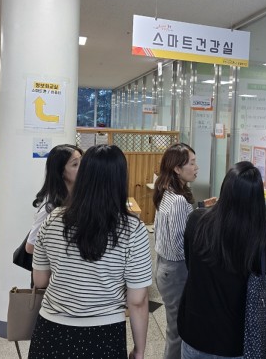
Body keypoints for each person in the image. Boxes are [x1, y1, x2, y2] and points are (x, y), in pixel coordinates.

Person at [29, 145, 152, 359]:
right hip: (104, 334)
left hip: (51, 331)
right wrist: (139, 350)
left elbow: (39, 280)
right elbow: (137, 300)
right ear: (120, 179)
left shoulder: (52, 219)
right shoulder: (133, 229)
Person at [178, 161, 266, 358]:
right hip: (233, 339)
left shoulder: (197, 220)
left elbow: (189, 263)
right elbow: (258, 283)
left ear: (225, 189)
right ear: (256, 198)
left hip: (194, 329)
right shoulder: (259, 239)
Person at [153, 142, 198, 359]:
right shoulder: (179, 200)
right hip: (176, 270)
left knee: (175, 326)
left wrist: (199, 210)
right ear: (177, 169)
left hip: (164, 267)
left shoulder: (167, 191)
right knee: (178, 330)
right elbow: (181, 247)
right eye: (192, 163)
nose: (196, 167)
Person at [25, 144, 83, 255]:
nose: (83, 168)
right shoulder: (50, 207)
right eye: (75, 164)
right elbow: (30, 247)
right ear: (61, 171)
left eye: (82, 162)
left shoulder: (80, 196)